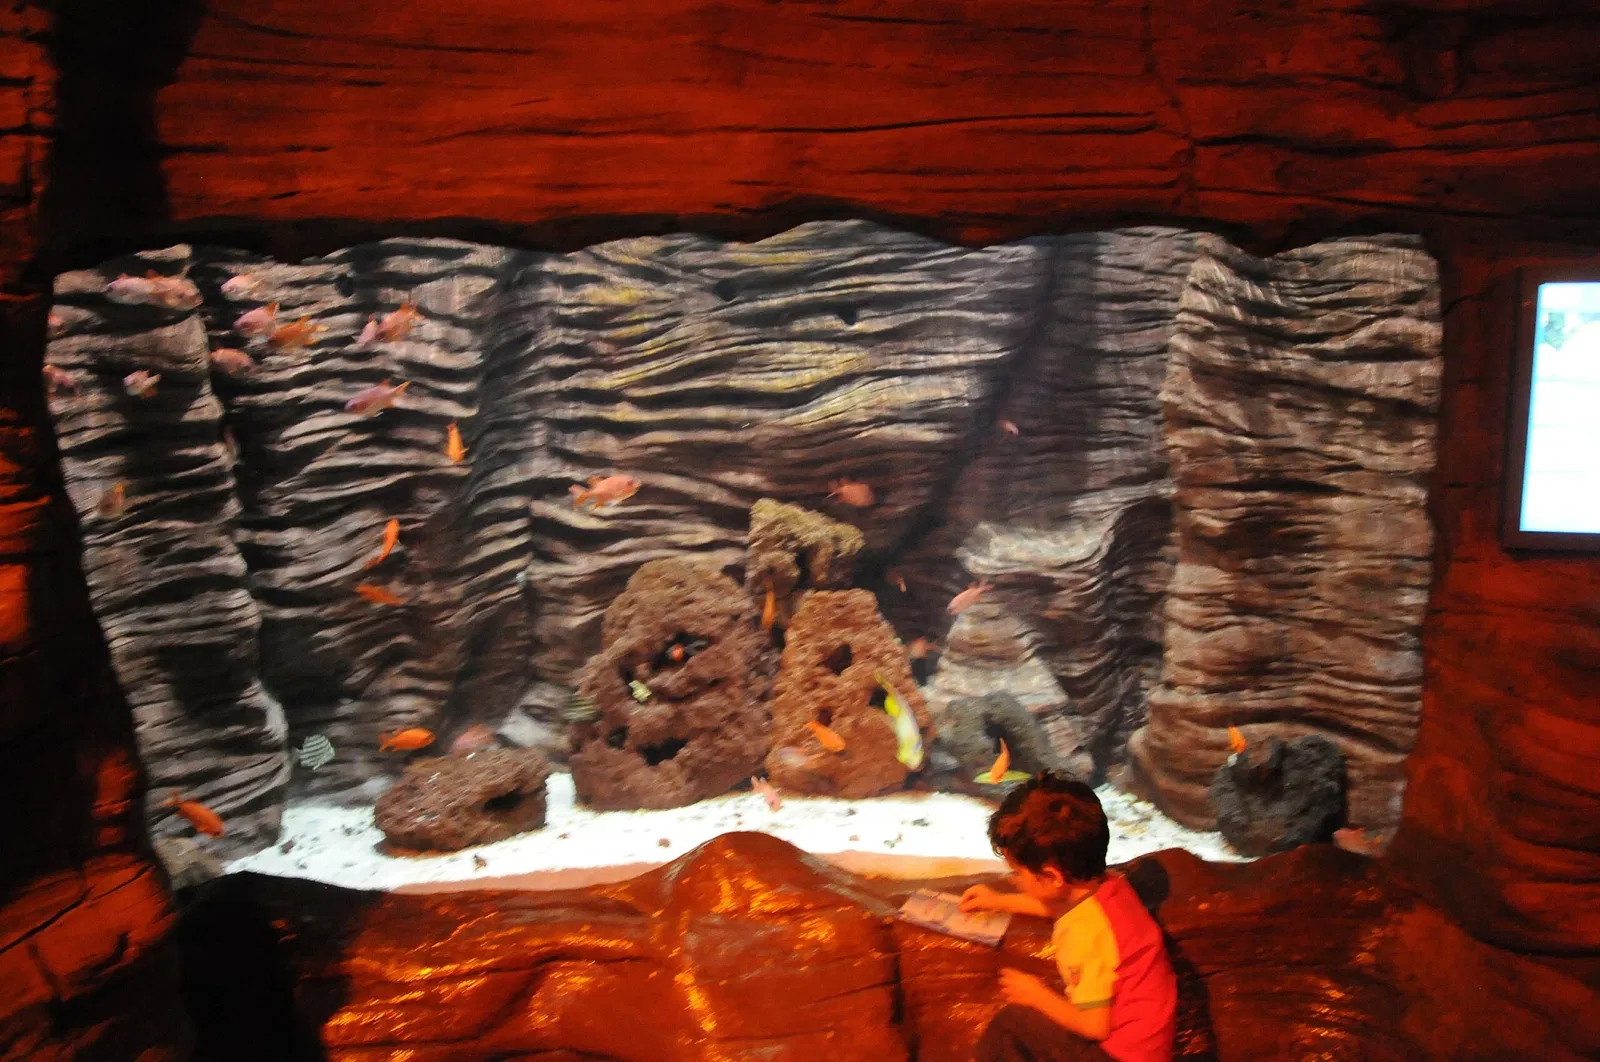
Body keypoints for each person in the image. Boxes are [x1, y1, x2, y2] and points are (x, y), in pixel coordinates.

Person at [961, 772, 1177, 1062]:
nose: (1013, 880)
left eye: (1017, 872)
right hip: (1146, 1051)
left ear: (1051, 876)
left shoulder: (1085, 933)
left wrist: (1035, 995)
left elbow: (1094, 1027)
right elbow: (1060, 906)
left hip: (1116, 1056)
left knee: (1012, 1023)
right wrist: (998, 901)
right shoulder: (1110, 887)